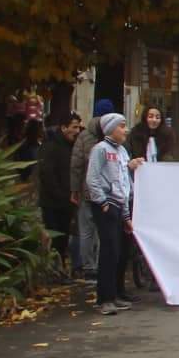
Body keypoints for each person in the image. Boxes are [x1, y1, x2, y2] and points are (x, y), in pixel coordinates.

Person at [85, 112, 138, 315]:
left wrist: (126, 215)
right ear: (110, 129)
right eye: (121, 126)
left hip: (118, 205)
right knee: (109, 252)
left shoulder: (123, 152)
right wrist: (103, 202)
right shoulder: (100, 150)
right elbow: (93, 178)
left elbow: (124, 184)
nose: (125, 130)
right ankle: (104, 298)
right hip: (106, 205)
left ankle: (114, 294)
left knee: (118, 252)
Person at [71, 97, 114, 276]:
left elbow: (76, 164)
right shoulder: (113, 134)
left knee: (86, 230)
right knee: (103, 230)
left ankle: (88, 266)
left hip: (87, 190)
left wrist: (74, 189)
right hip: (108, 191)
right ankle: (101, 264)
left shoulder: (83, 135)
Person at [37, 114, 83, 265]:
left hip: (67, 201)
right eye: (74, 127)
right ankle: (54, 268)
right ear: (64, 128)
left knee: (63, 238)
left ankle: (61, 266)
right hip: (52, 202)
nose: (77, 131)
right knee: (55, 237)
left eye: (78, 127)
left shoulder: (73, 147)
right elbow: (47, 173)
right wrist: (60, 194)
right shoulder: (51, 146)